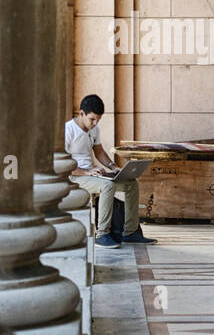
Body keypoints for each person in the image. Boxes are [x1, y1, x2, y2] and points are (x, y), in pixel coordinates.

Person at [65, 94, 155, 247]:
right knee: (108, 186)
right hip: (74, 176)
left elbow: (99, 152)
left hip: (91, 174)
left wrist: (113, 167)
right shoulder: (68, 130)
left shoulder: (94, 129)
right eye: (92, 119)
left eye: (98, 120)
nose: (95, 123)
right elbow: (62, 162)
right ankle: (102, 234)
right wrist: (86, 172)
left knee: (131, 184)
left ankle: (130, 232)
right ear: (81, 113)